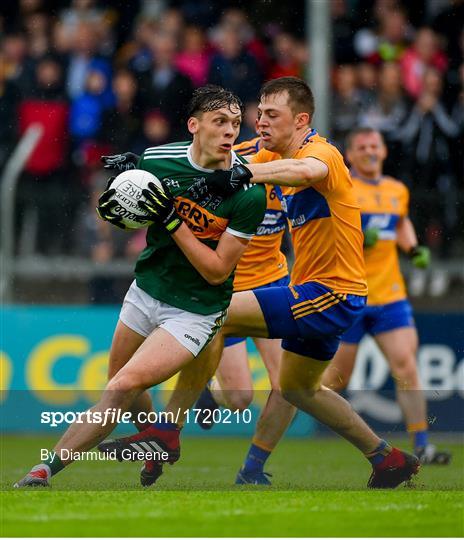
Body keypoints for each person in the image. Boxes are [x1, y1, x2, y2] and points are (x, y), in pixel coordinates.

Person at [100, 77, 421, 489]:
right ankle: (387, 458)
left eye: (272, 115)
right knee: (300, 389)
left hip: (330, 295)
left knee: (218, 315)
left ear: (301, 119)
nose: (260, 121)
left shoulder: (321, 154)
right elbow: (210, 156)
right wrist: (143, 168)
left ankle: (166, 431)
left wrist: (245, 174)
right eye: (260, 113)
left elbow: (303, 170)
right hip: (314, 292)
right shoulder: (267, 152)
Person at [14, 85, 266, 488]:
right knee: (119, 388)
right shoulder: (158, 159)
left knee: (122, 386)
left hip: (196, 308)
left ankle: (43, 471)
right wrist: (124, 194)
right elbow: (120, 214)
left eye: (236, 123)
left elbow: (218, 272)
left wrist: (171, 219)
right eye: (220, 122)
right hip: (146, 289)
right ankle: (160, 441)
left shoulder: (249, 192)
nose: (230, 131)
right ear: (194, 125)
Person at [321, 127, 451, 466]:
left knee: (407, 366)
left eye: (374, 145)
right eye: (361, 146)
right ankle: (282, 430)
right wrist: (361, 236)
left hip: (390, 295)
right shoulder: (343, 188)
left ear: (383, 151)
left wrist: (414, 247)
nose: (369, 151)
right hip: (350, 295)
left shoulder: (397, 190)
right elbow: (327, 235)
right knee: (334, 380)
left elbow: (401, 222)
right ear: (349, 154)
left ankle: (422, 446)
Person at [195, 135, 296, 485]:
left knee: (289, 385)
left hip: (273, 283)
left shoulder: (301, 166)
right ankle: (208, 387)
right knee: (239, 399)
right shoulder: (229, 162)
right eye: (263, 118)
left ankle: (252, 468)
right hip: (228, 289)